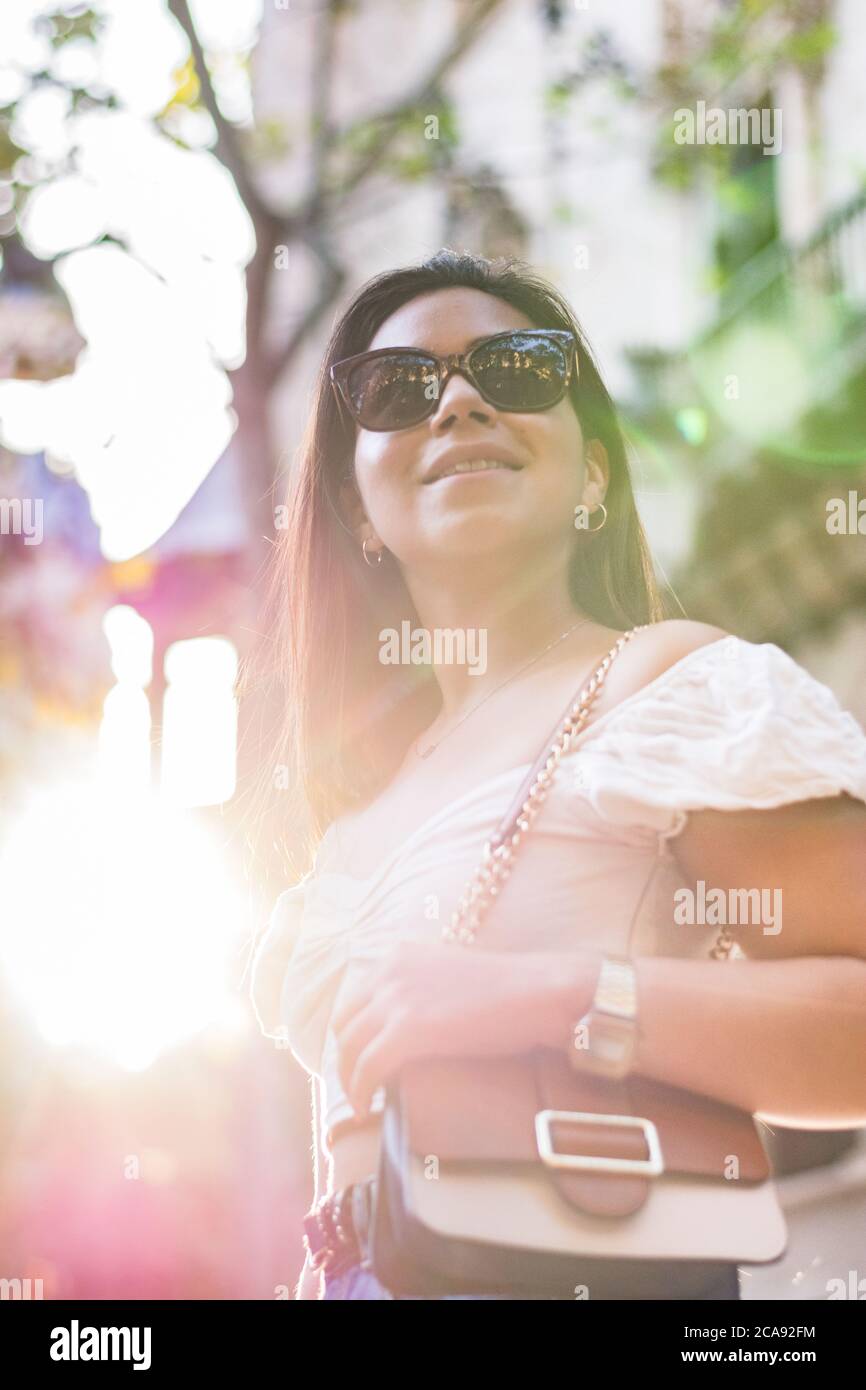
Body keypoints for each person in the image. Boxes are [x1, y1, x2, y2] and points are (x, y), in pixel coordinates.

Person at [247, 249, 866, 1300]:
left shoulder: (665, 686)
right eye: (397, 390)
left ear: (590, 471)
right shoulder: (358, 803)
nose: (459, 401)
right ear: (353, 503)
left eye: (521, 369)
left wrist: (549, 996)